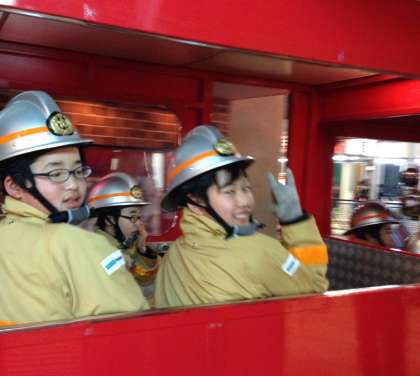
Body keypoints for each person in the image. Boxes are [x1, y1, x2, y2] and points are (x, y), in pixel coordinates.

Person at [0, 91, 149, 326]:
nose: (73, 185)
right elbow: (133, 328)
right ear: (14, 186)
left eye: (78, 171)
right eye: (56, 173)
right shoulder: (77, 243)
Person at [155, 125, 329, 308]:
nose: (245, 201)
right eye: (229, 192)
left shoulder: (174, 255)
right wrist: (295, 221)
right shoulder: (259, 252)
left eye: (246, 188)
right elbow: (315, 286)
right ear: (195, 202)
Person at [87, 172, 160, 305]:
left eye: (139, 217)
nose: (139, 224)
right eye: (132, 217)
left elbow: (147, 283)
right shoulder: (99, 251)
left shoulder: (125, 246)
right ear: (109, 219)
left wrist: (143, 252)